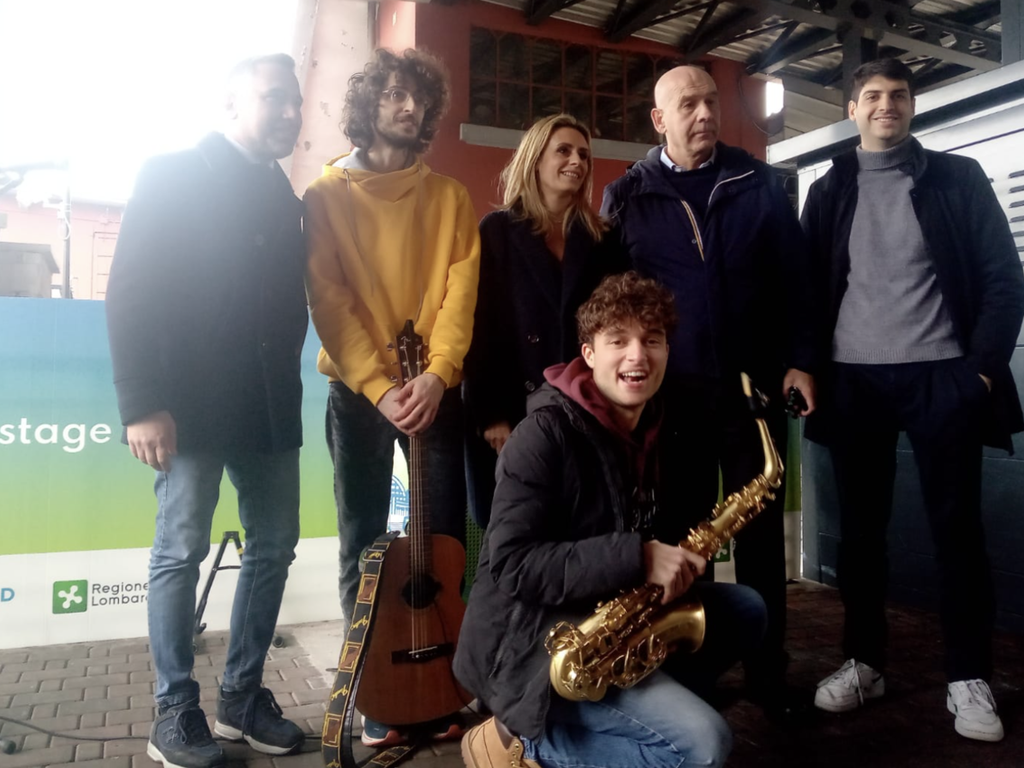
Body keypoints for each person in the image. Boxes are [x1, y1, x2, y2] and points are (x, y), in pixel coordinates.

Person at [455, 271, 767, 768]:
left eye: (652, 340)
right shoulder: (541, 435)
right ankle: (527, 742)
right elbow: (512, 563)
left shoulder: (663, 424)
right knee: (704, 746)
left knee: (746, 609)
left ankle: (637, 717)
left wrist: (676, 564)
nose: (637, 356)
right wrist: (638, 558)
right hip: (537, 647)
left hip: (610, 612)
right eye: (618, 341)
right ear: (589, 353)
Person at [801, 58, 1024, 742]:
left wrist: (980, 372)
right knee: (861, 536)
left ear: (912, 103)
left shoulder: (957, 179)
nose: (885, 105)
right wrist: (803, 365)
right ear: (852, 109)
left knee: (958, 533)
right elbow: (806, 289)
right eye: (872, 96)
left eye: (897, 94)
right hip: (853, 383)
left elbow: (1003, 277)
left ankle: (968, 676)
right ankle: (865, 663)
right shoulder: (830, 189)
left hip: (941, 378)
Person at [105, 54, 307, 768]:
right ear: (231, 103)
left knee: (274, 546)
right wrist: (141, 403)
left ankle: (241, 699)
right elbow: (130, 292)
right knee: (180, 551)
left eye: (296, 101)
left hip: (270, 409)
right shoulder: (171, 173)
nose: (290, 112)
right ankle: (174, 711)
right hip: (187, 407)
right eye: (274, 98)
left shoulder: (285, 193)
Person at [600, 65, 817, 717]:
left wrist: (801, 362)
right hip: (672, 403)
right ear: (659, 120)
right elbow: (611, 304)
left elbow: (797, 282)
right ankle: (688, 671)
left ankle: (768, 670)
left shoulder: (759, 183)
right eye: (688, 104)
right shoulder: (626, 196)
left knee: (760, 539)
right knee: (681, 540)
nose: (704, 114)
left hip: (753, 394)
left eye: (711, 102)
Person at [303, 47, 480, 746]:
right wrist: (380, 387)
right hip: (359, 394)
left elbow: (460, 292)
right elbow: (329, 301)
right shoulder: (324, 197)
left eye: (420, 98)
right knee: (364, 543)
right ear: (367, 103)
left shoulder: (450, 198)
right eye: (395, 95)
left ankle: (439, 682)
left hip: (436, 390)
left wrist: (439, 373)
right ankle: (377, 692)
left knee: (444, 541)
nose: (411, 107)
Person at [463, 113, 625, 527]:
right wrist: (491, 415)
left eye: (584, 155)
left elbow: (617, 326)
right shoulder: (496, 231)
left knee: (579, 525)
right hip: (511, 412)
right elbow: (480, 329)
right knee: (516, 528)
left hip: (585, 409)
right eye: (564, 151)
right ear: (535, 161)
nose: (577, 161)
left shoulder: (604, 239)